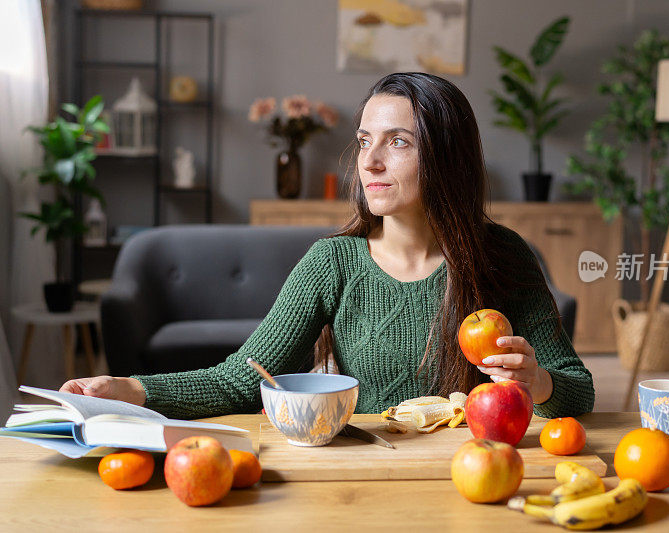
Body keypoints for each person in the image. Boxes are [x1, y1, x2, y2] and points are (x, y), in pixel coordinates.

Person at [60, 72, 594, 419]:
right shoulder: (332, 263)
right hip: (360, 474)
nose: (370, 161)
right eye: (365, 140)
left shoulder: (503, 256)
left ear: (446, 155)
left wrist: (539, 382)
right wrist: (130, 390)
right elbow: (242, 380)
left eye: (398, 142)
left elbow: (579, 389)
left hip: (473, 474)